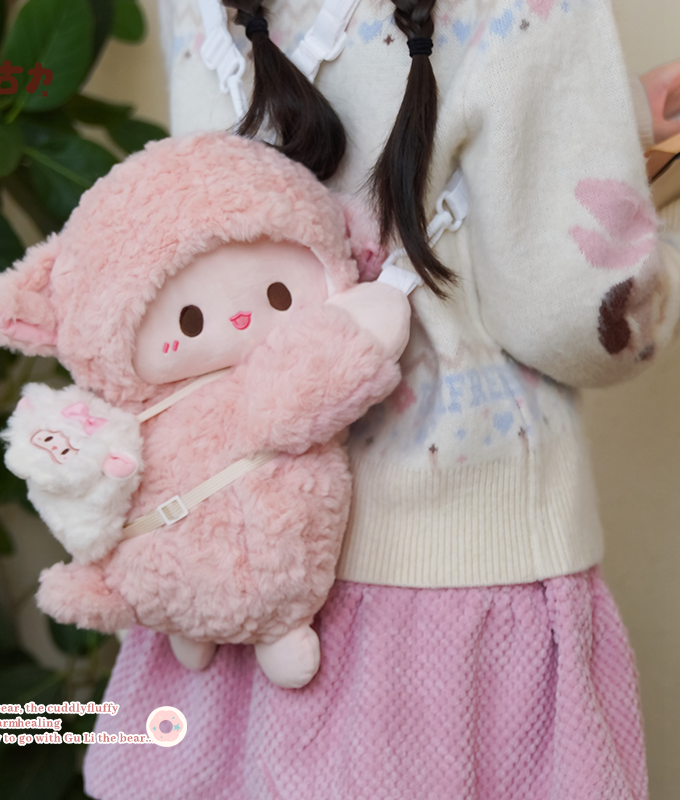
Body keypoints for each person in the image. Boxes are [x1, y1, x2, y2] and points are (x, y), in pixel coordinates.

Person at [83, 1, 680, 797]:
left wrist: (608, 114)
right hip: (456, 591)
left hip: (232, 580)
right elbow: (577, 316)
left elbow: (275, 161)